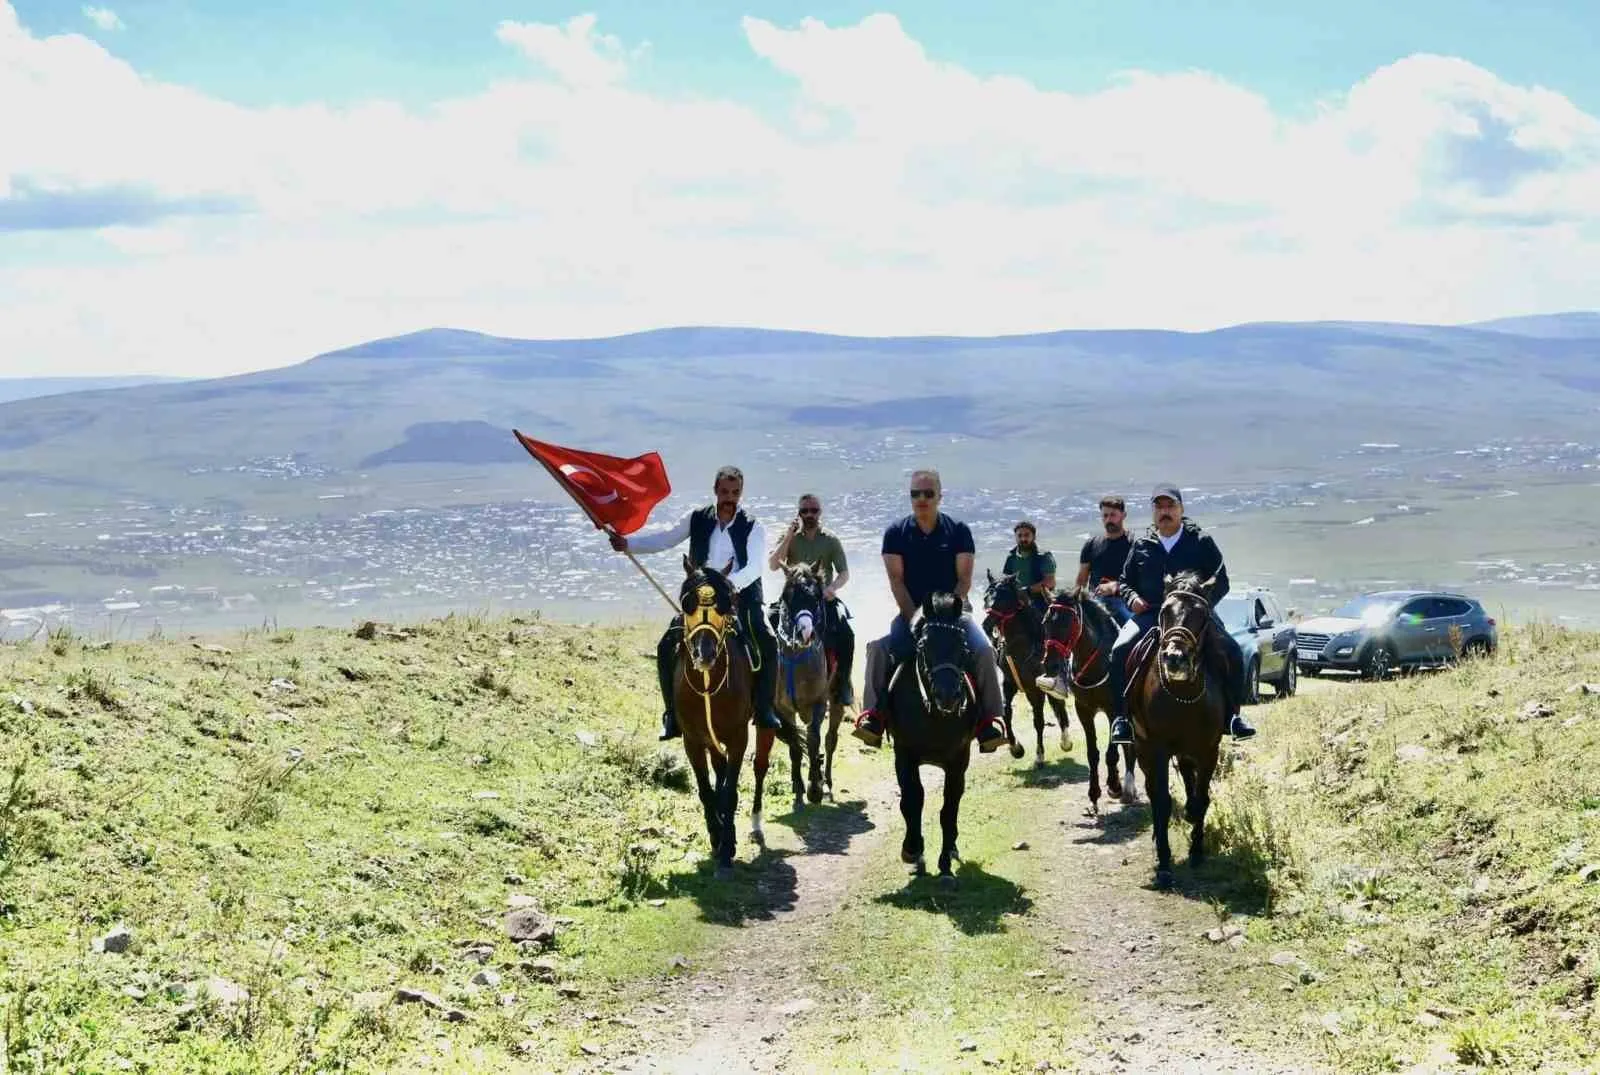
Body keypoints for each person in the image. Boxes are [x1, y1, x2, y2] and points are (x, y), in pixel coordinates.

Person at [610, 465, 783, 740]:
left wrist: (728, 586)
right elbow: (665, 539)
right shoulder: (696, 518)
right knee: (666, 644)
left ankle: (764, 709)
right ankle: (672, 716)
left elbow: (754, 568)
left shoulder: (753, 526)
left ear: (741, 493)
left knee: (767, 639)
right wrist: (628, 544)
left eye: (735, 492)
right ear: (715, 491)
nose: (729, 498)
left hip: (739, 598)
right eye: (724, 492)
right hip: (701, 602)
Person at [849, 469, 1009, 753]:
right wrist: (916, 619)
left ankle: (991, 721)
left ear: (939, 496)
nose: (921, 499)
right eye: (915, 494)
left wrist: (948, 611)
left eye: (928, 493)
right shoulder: (896, 533)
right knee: (877, 648)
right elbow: (896, 580)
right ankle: (873, 717)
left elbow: (964, 580)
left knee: (984, 651)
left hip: (954, 613)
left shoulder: (958, 531)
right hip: (911, 612)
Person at [1104, 484, 1256, 746]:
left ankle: (1233, 717)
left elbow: (1222, 581)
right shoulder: (1142, 544)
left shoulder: (1201, 542)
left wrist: (1201, 606)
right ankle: (1122, 719)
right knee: (1119, 651)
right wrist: (1132, 598)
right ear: (1153, 512)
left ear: (1181, 509)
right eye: (1159, 507)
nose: (1165, 512)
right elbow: (1125, 581)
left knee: (1232, 651)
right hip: (1151, 614)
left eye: (1170, 506)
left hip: (1194, 618)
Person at [1037, 495, 1132, 699]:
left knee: (1132, 633)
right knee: (1064, 630)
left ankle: (1132, 681)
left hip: (1123, 600)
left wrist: (1116, 588)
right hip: (1092, 602)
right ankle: (1061, 679)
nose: (1109, 519)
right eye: (1105, 515)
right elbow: (1082, 579)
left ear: (1123, 515)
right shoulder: (1092, 544)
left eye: (1113, 515)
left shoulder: (1133, 543)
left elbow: (1138, 579)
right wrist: (1071, 599)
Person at [767, 493, 856, 708]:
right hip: (793, 600)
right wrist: (788, 535)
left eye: (813, 511)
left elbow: (844, 573)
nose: (809, 515)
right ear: (798, 514)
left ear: (820, 512)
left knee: (847, 632)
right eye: (804, 511)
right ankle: (767, 687)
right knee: (767, 624)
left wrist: (832, 588)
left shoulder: (830, 539)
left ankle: (843, 685)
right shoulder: (789, 536)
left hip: (821, 599)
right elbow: (772, 564)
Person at [1000, 519, 1056, 616]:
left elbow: (1050, 582)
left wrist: (1027, 590)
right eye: (1019, 536)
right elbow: (1006, 580)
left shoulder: (1044, 556)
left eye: (1026, 535)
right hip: (1015, 602)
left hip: (1040, 602)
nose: (1023, 539)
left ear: (1033, 536)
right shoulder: (1011, 557)